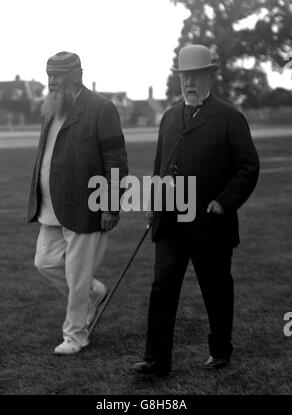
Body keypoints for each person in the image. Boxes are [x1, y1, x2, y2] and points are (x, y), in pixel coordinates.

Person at [133, 44, 260, 375]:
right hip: (172, 222)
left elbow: (248, 167)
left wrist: (225, 201)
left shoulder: (230, 117)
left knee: (216, 290)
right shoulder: (170, 117)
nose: (188, 82)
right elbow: (162, 164)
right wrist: (154, 203)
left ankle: (220, 350)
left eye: (196, 76)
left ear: (210, 77)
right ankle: (156, 359)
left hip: (211, 224)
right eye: (184, 76)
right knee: (162, 287)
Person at [27, 51, 128, 355]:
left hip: (87, 207)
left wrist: (111, 205)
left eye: (58, 76)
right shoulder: (51, 108)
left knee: (77, 274)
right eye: (49, 76)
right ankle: (94, 294)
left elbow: (116, 161)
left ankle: (75, 335)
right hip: (50, 206)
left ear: (77, 76)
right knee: (44, 262)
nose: (52, 82)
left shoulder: (101, 108)